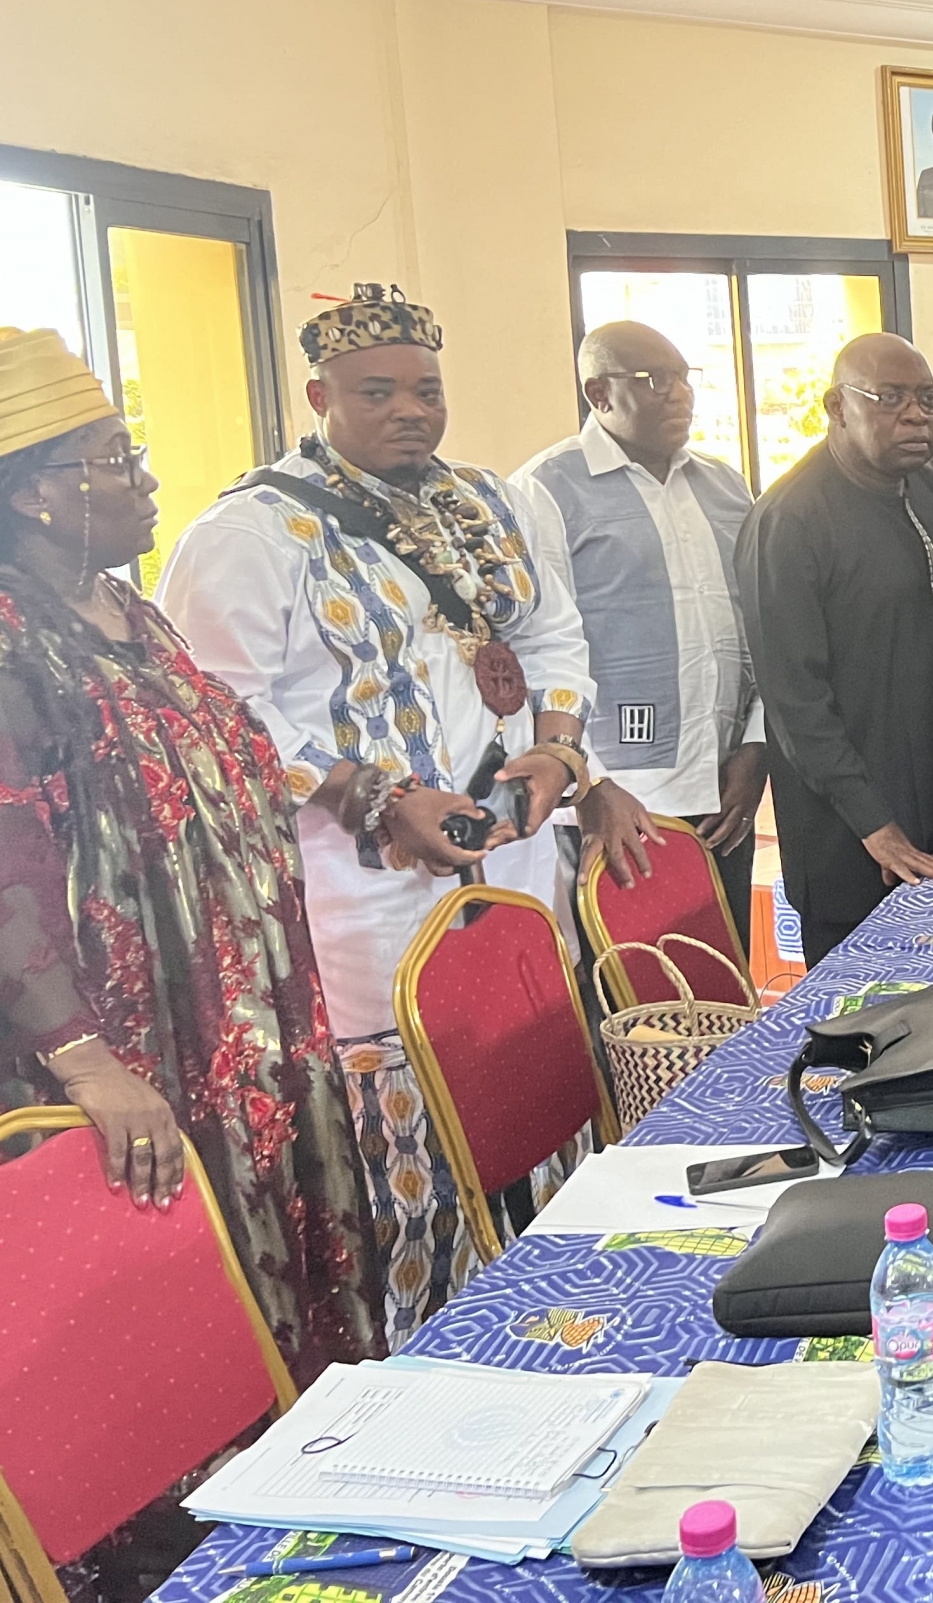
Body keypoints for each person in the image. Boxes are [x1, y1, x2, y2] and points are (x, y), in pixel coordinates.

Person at [162, 286, 625, 1345]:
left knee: (533, 1077)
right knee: (412, 1117)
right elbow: (222, 710)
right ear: (320, 394)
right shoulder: (251, 531)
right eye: (379, 393)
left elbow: (554, 635)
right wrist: (371, 794)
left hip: (511, 851)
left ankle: (561, 1313)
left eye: (427, 391)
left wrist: (557, 750)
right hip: (364, 885)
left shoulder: (486, 503)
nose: (411, 411)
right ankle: (434, 1344)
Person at [0, 330, 382, 1379]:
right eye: (115, 461)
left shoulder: (128, 609)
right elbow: (8, 862)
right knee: (160, 1316)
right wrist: (86, 1063)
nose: (147, 477)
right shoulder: (10, 639)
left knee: (278, 1277)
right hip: (130, 1041)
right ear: (36, 494)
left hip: (232, 1011)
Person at [738, 334, 933, 963]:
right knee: (866, 1031)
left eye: (926, 399)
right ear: (836, 406)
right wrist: (875, 827)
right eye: (889, 399)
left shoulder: (928, 490)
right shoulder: (789, 521)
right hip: (853, 839)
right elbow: (795, 703)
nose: (915, 415)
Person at [515, 321, 763, 935]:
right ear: (599, 393)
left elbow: (764, 625)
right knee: (630, 1001)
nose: (680, 394)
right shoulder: (544, 490)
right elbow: (534, 650)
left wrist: (758, 747)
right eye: (657, 380)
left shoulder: (724, 484)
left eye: (685, 378)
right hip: (617, 804)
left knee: (716, 989)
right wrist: (587, 783)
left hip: (724, 793)